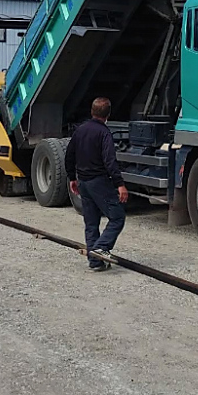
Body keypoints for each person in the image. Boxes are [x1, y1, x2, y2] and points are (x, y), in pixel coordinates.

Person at [65, 97, 129, 272]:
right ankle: (100, 248)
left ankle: (95, 263)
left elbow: (69, 155)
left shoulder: (80, 131)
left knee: (91, 222)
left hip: (83, 182)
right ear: (108, 114)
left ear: (92, 111)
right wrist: (120, 184)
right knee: (117, 217)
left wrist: (72, 177)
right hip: (99, 182)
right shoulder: (104, 133)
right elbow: (110, 161)